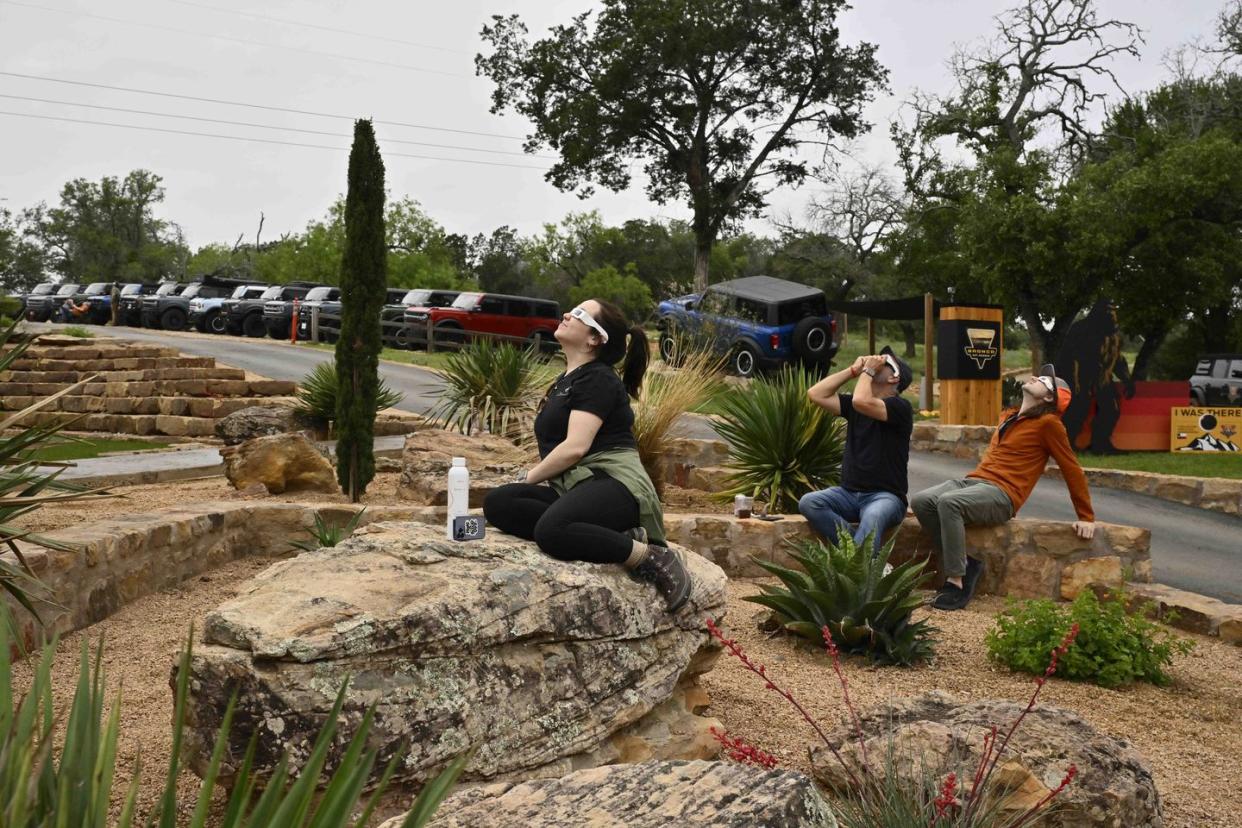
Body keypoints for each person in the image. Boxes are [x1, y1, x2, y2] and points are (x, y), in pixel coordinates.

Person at [483, 299, 692, 611]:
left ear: (596, 338)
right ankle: (613, 535)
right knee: (499, 503)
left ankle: (650, 557)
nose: (567, 314)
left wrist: (529, 477)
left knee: (550, 531)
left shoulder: (598, 378)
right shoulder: (567, 381)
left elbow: (575, 448)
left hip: (616, 484)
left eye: (579, 314)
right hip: (579, 486)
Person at [910, 364, 1095, 611]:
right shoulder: (1009, 417)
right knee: (921, 501)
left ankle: (956, 581)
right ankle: (968, 563)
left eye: (1041, 380)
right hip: (974, 481)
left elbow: (1072, 469)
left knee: (948, 503)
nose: (1033, 378)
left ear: (1049, 397)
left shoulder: (1049, 424)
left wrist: (1086, 516)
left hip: (1002, 493)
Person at [799, 346, 914, 555]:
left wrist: (868, 372)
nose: (876, 361)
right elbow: (815, 394)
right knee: (810, 502)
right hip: (848, 494)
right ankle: (863, 560)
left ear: (894, 379)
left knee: (873, 516)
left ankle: (856, 570)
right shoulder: (855, 405)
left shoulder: (900, 407)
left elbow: (862, 401)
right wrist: (853, 371)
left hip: (886, 497)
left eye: (885, 363)